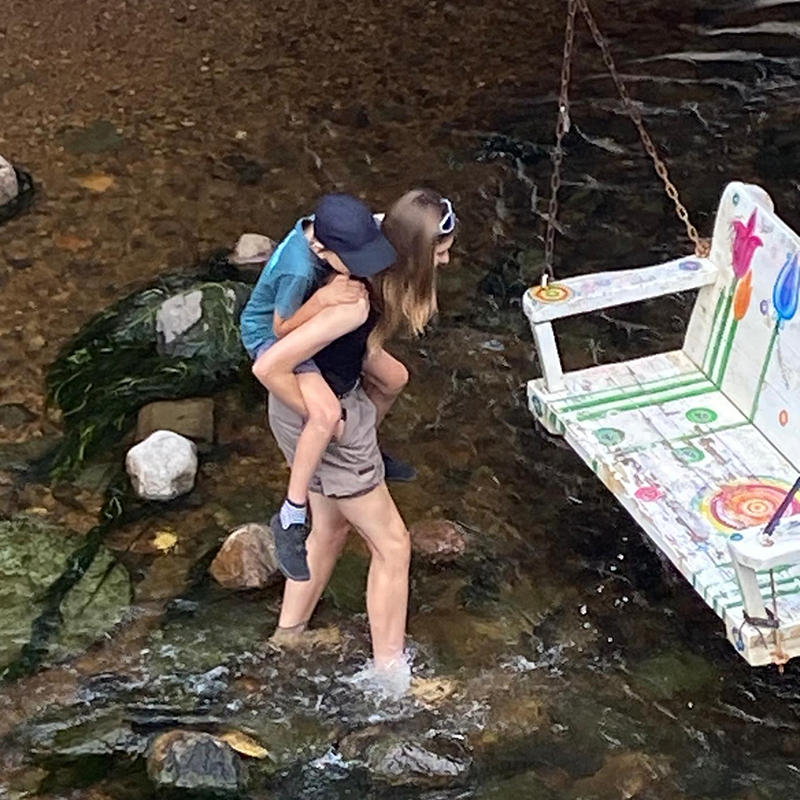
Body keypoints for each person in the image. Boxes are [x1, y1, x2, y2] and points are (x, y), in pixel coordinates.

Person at [266, 188, 457, 670]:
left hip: (327, 397)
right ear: (414, 255)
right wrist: (332, 424)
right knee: (393, 545)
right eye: (440, 253)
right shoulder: (351, 302)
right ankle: (390, 678)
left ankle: (286, 640)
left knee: (332, 527)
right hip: (317, 409)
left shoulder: (375, 246)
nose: (447, 261)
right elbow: (271, 364)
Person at [240, 194, 401, 582]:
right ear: (322, 251)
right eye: (355, 262)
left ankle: (369, 447)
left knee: (394, 378)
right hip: (270, 337)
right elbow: (282, 327)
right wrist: (324, 298)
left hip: (298, 320)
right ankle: (292, 514)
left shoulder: (324, 224)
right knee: (327, 415)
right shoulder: (298, 270)